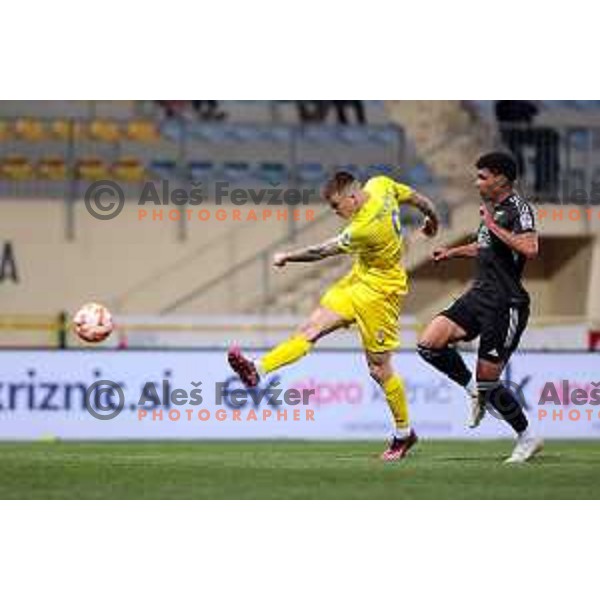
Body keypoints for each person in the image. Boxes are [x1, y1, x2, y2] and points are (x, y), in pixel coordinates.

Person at [228, 171, 440, 461]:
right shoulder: (381, 184)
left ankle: (404, 434)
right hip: (356, 282)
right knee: (310, 329)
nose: (336, 212)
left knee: (379, 369)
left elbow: (321, 251)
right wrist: (433, 220)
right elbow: (416, 197)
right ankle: (258, 369)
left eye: (337, 206)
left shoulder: (365, 227)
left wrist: (288, 256)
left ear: (352, 198)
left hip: (381, 294)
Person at [417, 152, 543, 463]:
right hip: (478, 296)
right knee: (428, 344)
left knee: (491, 379)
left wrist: (491, 225)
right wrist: (452, 252)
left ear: (501, 179)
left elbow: (530, 247)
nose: (477, 183)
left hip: (506, 303)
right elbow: (484, 247)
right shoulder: (493, 211)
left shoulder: (519, 209)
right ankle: (474, 390)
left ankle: (527, 438)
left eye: (482, 177)